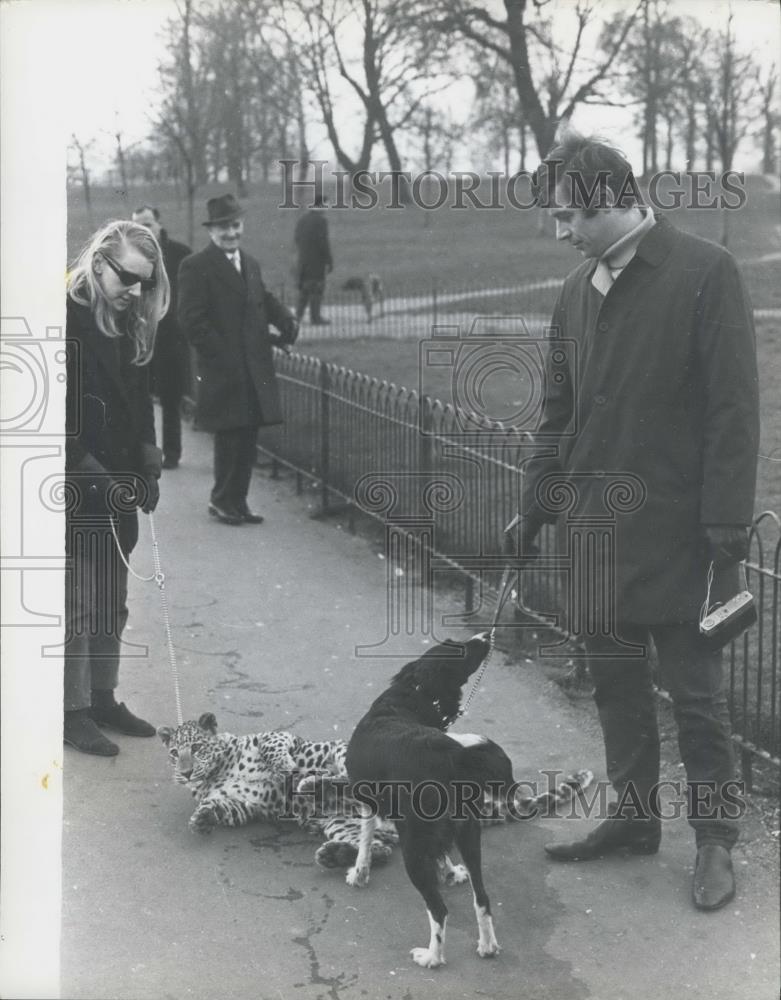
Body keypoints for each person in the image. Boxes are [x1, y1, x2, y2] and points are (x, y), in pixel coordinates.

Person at [510, 127, 759, 911]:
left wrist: (723, 535)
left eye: (567, 217)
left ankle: (715, 841)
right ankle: (630, 817)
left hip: (680, 535)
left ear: (612, 201)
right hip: (593, 532)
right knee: (614, 683)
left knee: (694, 696)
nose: (559, 233)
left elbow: (732, 411)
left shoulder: (704, 272)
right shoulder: (575, 290)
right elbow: (557, 412)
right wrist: (534, 504)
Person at [64, 220, 170, 756]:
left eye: (146, 282)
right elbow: (50, 414)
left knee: (113, 593)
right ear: (100, 262)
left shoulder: (127, 320)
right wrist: (89, 473)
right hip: (77, 479)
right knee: (80, 596)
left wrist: (148, 460)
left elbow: (139, 391)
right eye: (129, 277)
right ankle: (72, 708)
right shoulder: (64, 315)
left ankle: (103, 697)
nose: (137, 291)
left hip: (120, 480)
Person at [177, 193, 298, 525]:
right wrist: (220, 354)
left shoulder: (250, 263)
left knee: (248, 435)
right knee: (229, 435)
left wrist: (285, 320)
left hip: (253, 366)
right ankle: (221, 500)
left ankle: (238, 501)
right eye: (222, 228)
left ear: (241, 225)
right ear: (211, 231)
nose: (230, 233)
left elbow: (265, 299)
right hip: (223, 368)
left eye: (235, 225)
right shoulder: (196, 266)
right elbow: (190, 320)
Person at [131, 205, 192, 469]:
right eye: (138, 226)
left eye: (149, 224)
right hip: (141, 337)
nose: (145, 231)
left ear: (159, 224)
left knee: (170, 399)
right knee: (138, 399)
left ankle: (172, 453)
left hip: (171, 339)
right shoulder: (130, 257)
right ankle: (142, 454)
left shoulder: (180, 255)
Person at [294, 194, 333, 325]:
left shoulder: (303, 219)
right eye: (327, 205)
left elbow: (297, 239)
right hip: (317, 261)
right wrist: (329, 260)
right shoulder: (321, 221)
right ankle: (315, 317)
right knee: (317, 289)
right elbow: (323, 243)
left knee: (304, 289)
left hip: (303, 260)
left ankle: (297, 317)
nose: (327, 208)